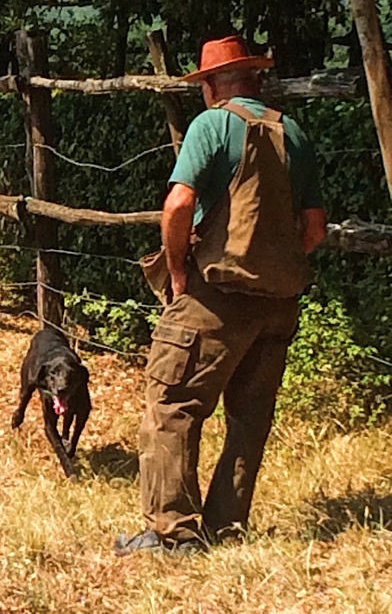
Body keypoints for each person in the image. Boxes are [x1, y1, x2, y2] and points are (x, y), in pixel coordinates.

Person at [116, 35, 328, 556]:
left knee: (171, 404)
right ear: (254, 79)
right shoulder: (294, 133)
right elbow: (315, 228)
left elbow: (178, 204)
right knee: (249, 419)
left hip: (215, 296)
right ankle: (226, 525)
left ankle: (172, 534)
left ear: (213, 85)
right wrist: (271, 266)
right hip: (278, 303)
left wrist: (177, 272)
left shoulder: (211, 126)